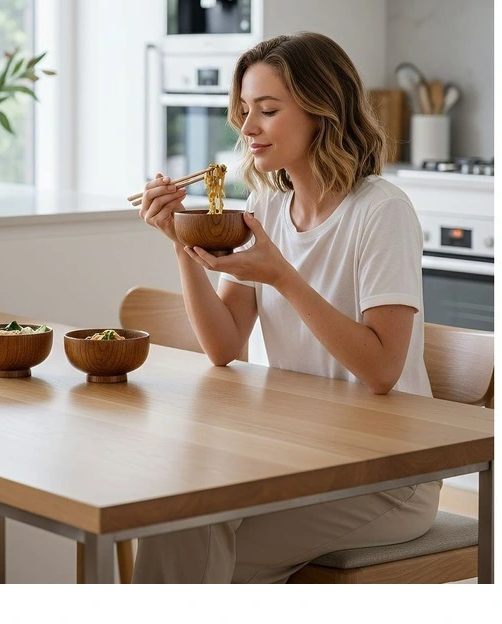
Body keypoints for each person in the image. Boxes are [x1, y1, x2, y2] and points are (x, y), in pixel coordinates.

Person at [133, 31, 440, 584]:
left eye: (268, 110)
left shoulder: (381, 212)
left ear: (323, 112)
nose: (248, 128)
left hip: (391, 473)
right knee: (174, 516)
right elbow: (224, 346)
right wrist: (182, 239)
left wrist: (283, 276)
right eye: (245, 110)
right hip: (302, 452)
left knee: (199, 551)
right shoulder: (268, 204)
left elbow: (380, 371)